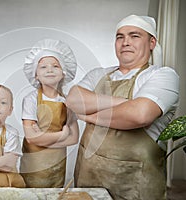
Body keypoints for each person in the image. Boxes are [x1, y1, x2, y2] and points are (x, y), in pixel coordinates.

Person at [66, 14, 180, 199]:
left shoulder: (162, 75)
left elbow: (139, 115)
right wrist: (126, 104)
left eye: (135, 36)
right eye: (120, 36)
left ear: (152, 43)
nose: (125, 42)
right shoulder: (98, 74)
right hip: (88, 180)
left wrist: (89, 116)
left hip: (134, 186)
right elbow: (73, 101)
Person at [20, 38, 79, 188]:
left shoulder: (69, 102)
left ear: (64, 73)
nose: (50, 70)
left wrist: (44, 139)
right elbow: (31, 138)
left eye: (55, 66)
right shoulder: (31, 100)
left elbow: (74, 138)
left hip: (57, 164)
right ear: (36, 75)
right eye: (43, 67)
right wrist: (61, 135)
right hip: (34, 164)